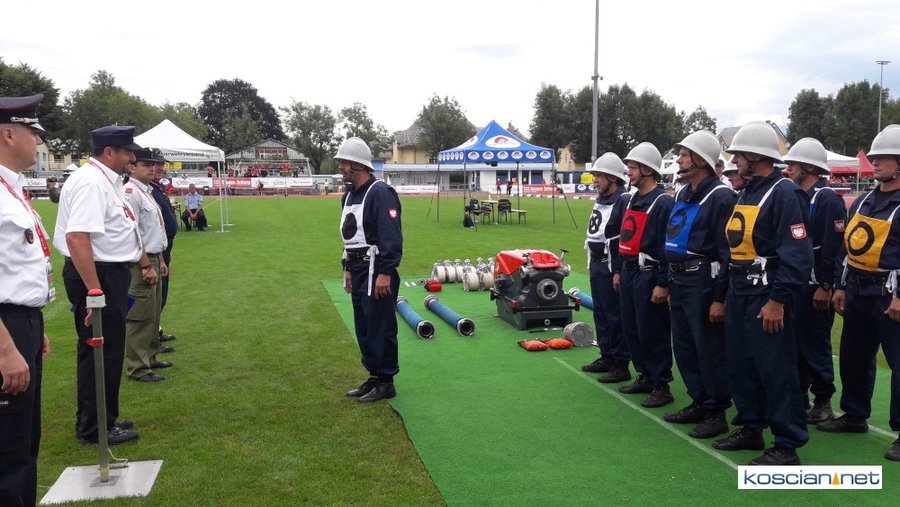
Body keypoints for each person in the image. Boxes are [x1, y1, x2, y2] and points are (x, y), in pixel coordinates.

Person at [714, 121, 813, 465]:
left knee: (776, 369)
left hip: (766, 293)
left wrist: (777, 301)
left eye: (739, 155)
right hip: (739, 289)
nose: (735, 161)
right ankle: (751, 427)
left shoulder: (784, 193)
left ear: (756, 156)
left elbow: (798, 256)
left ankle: (787, 443)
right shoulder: (747, 192)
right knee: (741, 364)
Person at [54, 125, 148, 446]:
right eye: (127, 152)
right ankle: (95, 427)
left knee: (104, 350)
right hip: (98, 274)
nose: (131, 158)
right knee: (101, 351)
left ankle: (100, 417)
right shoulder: (92, 182)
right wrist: (95, 290)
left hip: (107, 273)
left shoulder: (104, 180)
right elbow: (77, 237)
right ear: (109, 152)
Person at [821, 124, 900, 462]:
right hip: (856, 289)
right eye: (875, 156)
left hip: (889, 293)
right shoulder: (865, 199)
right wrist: (840, 286)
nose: (875, 162)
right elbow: (847, 246)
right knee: (854, 356)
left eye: (884, 157)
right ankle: (854, 415)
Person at [663, 131, 735, 439]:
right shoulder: (682, 194)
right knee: (684, 345)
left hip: (703, 280)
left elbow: (727, 251)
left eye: (685, 155)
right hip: (679, 278)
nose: (679, 160)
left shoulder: (721, 197)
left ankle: (716, 410)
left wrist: (720, 297)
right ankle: (699, 400)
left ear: (702, 160)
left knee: (708, 347)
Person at [0, 94, 53, 507]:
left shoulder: (12, 189)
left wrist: (33, 326)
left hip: (22, 322)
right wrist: (5, 347)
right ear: (7, 134)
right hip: (6, 327)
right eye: (32, 132)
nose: (38, 141)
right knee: (8, 451)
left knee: (24, 441)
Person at [782, 137, 846, 423]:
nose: (789, 170)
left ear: (808, 168)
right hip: (797, 285)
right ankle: (800, 395)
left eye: (793, 165)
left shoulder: (826, 198)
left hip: (815, 286)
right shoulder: (798, 195)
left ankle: (823, 401)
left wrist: (825, 285)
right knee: (795, 344)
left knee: (815, 345)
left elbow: (833, 246)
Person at [338, 137, 403, 403]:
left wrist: (385, 272)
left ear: (358, 164)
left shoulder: (380, 193)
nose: (341, 167)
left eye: (344, 162)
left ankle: (386, 381)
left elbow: (391, 236)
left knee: (380, 325)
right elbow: (350, 236)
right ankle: (374, 376)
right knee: (364, 326)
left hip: (376, 269)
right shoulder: (348, 195)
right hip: (357, 267)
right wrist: (347, 268)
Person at [616, 142, 676, 408]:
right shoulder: (632, 199)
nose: (628, 172)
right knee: (631, 327)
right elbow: (625, 238)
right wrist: (619, 270)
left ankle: (661, 384)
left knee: (653, 329)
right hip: (629, 271)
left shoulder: (663, 202)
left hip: (649, 274)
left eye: (633, 167)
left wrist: (663, 282)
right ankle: (645, 375)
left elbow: (667, 245)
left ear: (648, 170)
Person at [580, 153, 632, 382]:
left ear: (612, 178)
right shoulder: (602, 199)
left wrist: (618, 269)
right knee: (600, 312)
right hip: (597, 263)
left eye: (599, 175)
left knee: (614, 316)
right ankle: (607, 355)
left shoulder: (623, 200)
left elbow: (624, 237)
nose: (595, 180)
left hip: (610, 265)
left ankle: (621, 364)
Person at [123, 149, 171, 382]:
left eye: (154, 164)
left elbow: (153, 230)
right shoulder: (130, 193)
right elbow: (132, 233)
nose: (153, 168)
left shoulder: (146, 191)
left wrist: (159, 259)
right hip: (140, 261)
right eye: (146, 164)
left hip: (153, 257)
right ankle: (138, 367)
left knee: (152, 313)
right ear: (132, 167)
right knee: (139, 316)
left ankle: (150, 357)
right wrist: (145, 265)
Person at [148, 150, 178, 345]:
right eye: (155, 164)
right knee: (153, 297)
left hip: (162, 249)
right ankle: (151, 338)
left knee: (160, 294)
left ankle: (155, 331)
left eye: (161, 164)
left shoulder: (156, 188)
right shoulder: (146, 190)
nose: (159, 168)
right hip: (152, 252)